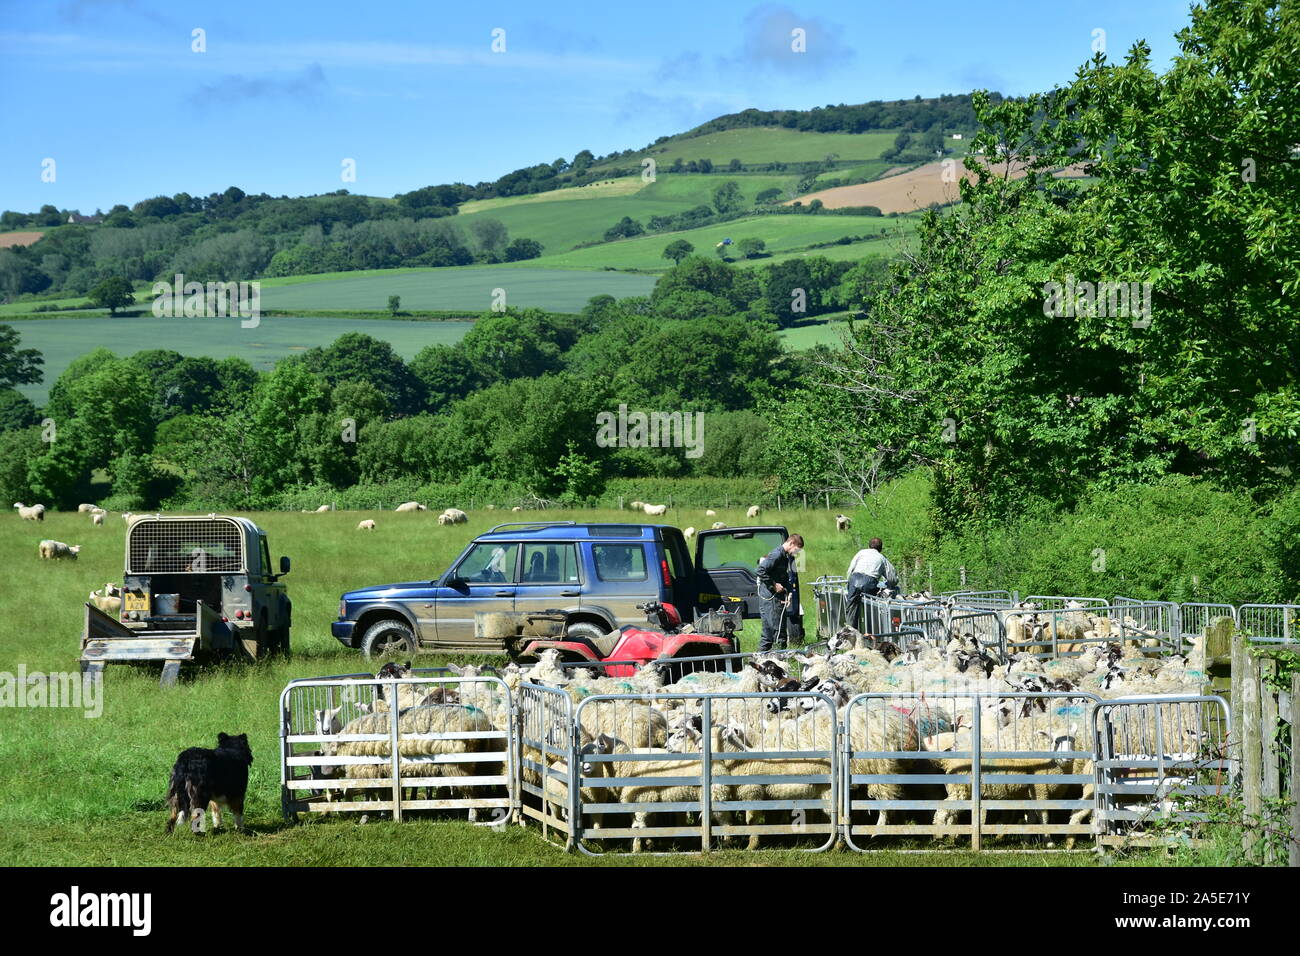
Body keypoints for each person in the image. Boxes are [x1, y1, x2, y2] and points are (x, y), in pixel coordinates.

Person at [757, 534, 804, 652]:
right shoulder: (777, 554)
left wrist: (788, 592)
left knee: (767, 633)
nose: (796, 553)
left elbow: (783, 577)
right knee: (779, 631)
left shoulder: (784, 556)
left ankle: (760, 659)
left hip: (772, 596)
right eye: (797, 550)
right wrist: (773, 585)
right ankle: (780, 661)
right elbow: (760, 570)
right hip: (770, 596)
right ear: (791, 543)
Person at [845, 537, 898, 632]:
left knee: (851, 608)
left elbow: (851, 569)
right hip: (869, 582)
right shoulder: (882, 558)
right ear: (881, 549)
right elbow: (892, 577)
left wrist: (849, 584)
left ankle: (849, 633)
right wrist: (891, 585)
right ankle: (870, 632)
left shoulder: (861, 553)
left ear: (868, 546)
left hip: (854, 579)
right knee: (870, 607)